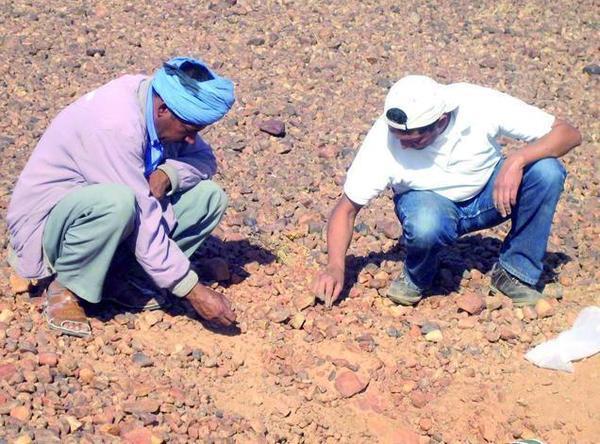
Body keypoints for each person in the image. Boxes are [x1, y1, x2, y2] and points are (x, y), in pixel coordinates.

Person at [7, 57, 238, 337]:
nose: (191, 140)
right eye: (189, 131)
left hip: (112, 216)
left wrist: (170, 173)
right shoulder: (115, 125)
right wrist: (193, 290)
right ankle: (65, 286)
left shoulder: (156, 102)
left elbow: (204, 159)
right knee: (118, 203)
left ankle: (124, 279)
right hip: (49, 228)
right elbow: (144, 218)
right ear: (164, 110)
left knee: (209, 198)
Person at [313, 75, 581, 308]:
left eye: (415, 139)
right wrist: (335, 267)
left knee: (547, 171)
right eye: (398, 137)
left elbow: (568, 133)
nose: (403, 146)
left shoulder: (476, 103)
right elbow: (346, 210)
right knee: (426, 223)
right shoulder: (383, 139)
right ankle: (418, 275)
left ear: (441, 121)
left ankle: (514, 274)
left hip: (491, 196)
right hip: (429, 205)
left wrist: (518, 159)